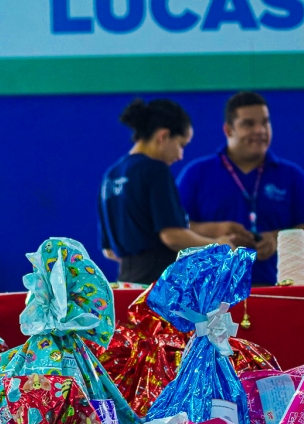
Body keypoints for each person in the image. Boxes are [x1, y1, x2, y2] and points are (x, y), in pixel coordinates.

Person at [176, 91, 304, 286]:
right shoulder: (196, 173)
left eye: (265, 122)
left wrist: (275, 239)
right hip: (210, 292)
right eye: (248, 124)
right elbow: (174, 229)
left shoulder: (291, 175)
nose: (260, 130)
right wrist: (217, 231)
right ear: (228, 130)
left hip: (276, 289)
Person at [98, 98, 235, 284]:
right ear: (163, 136)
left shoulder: (110, 175)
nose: (180, 156)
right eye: (181, 145)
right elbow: (172, 236)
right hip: (157, 285)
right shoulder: (155, 169)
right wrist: (217, 245)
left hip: (125, 284)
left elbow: (109, 250)